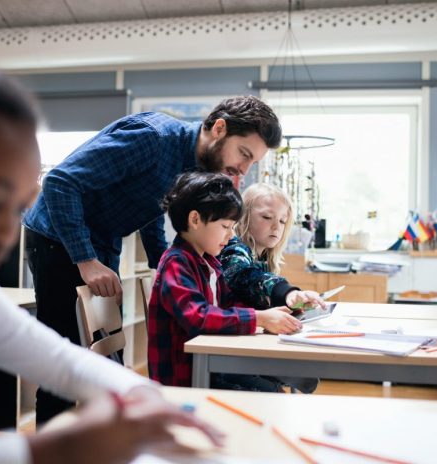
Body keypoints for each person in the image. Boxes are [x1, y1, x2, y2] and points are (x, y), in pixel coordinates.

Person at [0, 1, 222, 462]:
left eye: (19, 208)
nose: (4, 235)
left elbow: (62, 360)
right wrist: (49, 450)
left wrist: (143, 396)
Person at [22, 95, 282, 422]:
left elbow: (150, 209)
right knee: (63, 361)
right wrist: (86, 260)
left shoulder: (192, 165)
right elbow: (60, 182)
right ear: (219, 129)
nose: (243, 170)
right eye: (244, 154)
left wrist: (166, 266)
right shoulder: (153, 139)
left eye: (252, 162)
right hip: (55, 235)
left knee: (102, 361)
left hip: (102, 238)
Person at [148, 172, 302, 390]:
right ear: (195, 220)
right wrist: (257, 318)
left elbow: (229, 302)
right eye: (225, 226)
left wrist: (270, 315)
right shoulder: (176, 263)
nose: (231, 236)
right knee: (268, 390)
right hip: (185, 378)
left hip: (209, 364)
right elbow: (198, 316)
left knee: (273, 382)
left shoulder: (209, 262)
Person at [219, 183, 323, 393]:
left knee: (298, 374)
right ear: (244, 217)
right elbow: (246, 276)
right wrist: (287, 292)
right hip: (229, 352)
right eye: (267, 218)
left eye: (283, 221)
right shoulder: (233, 249)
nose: (276, 226)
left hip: (246, 344)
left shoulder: (263, 257)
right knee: (278, 390)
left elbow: (260, 295)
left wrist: (295, 303)